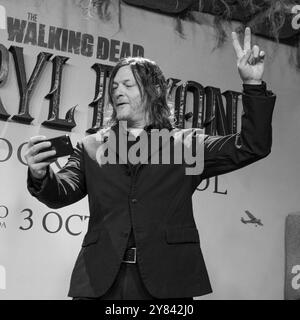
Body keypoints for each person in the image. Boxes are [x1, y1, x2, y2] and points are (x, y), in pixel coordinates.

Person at [25, 27, 276, 300]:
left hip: (166, 284)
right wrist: (41, 175)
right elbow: (62, 192)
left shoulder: (186, 146)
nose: (118, 91)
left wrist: (253, 86)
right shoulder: (92, 145)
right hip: (100, 284)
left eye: (128, 85)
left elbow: (251, 145)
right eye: (114, 87)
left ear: (155, 90)